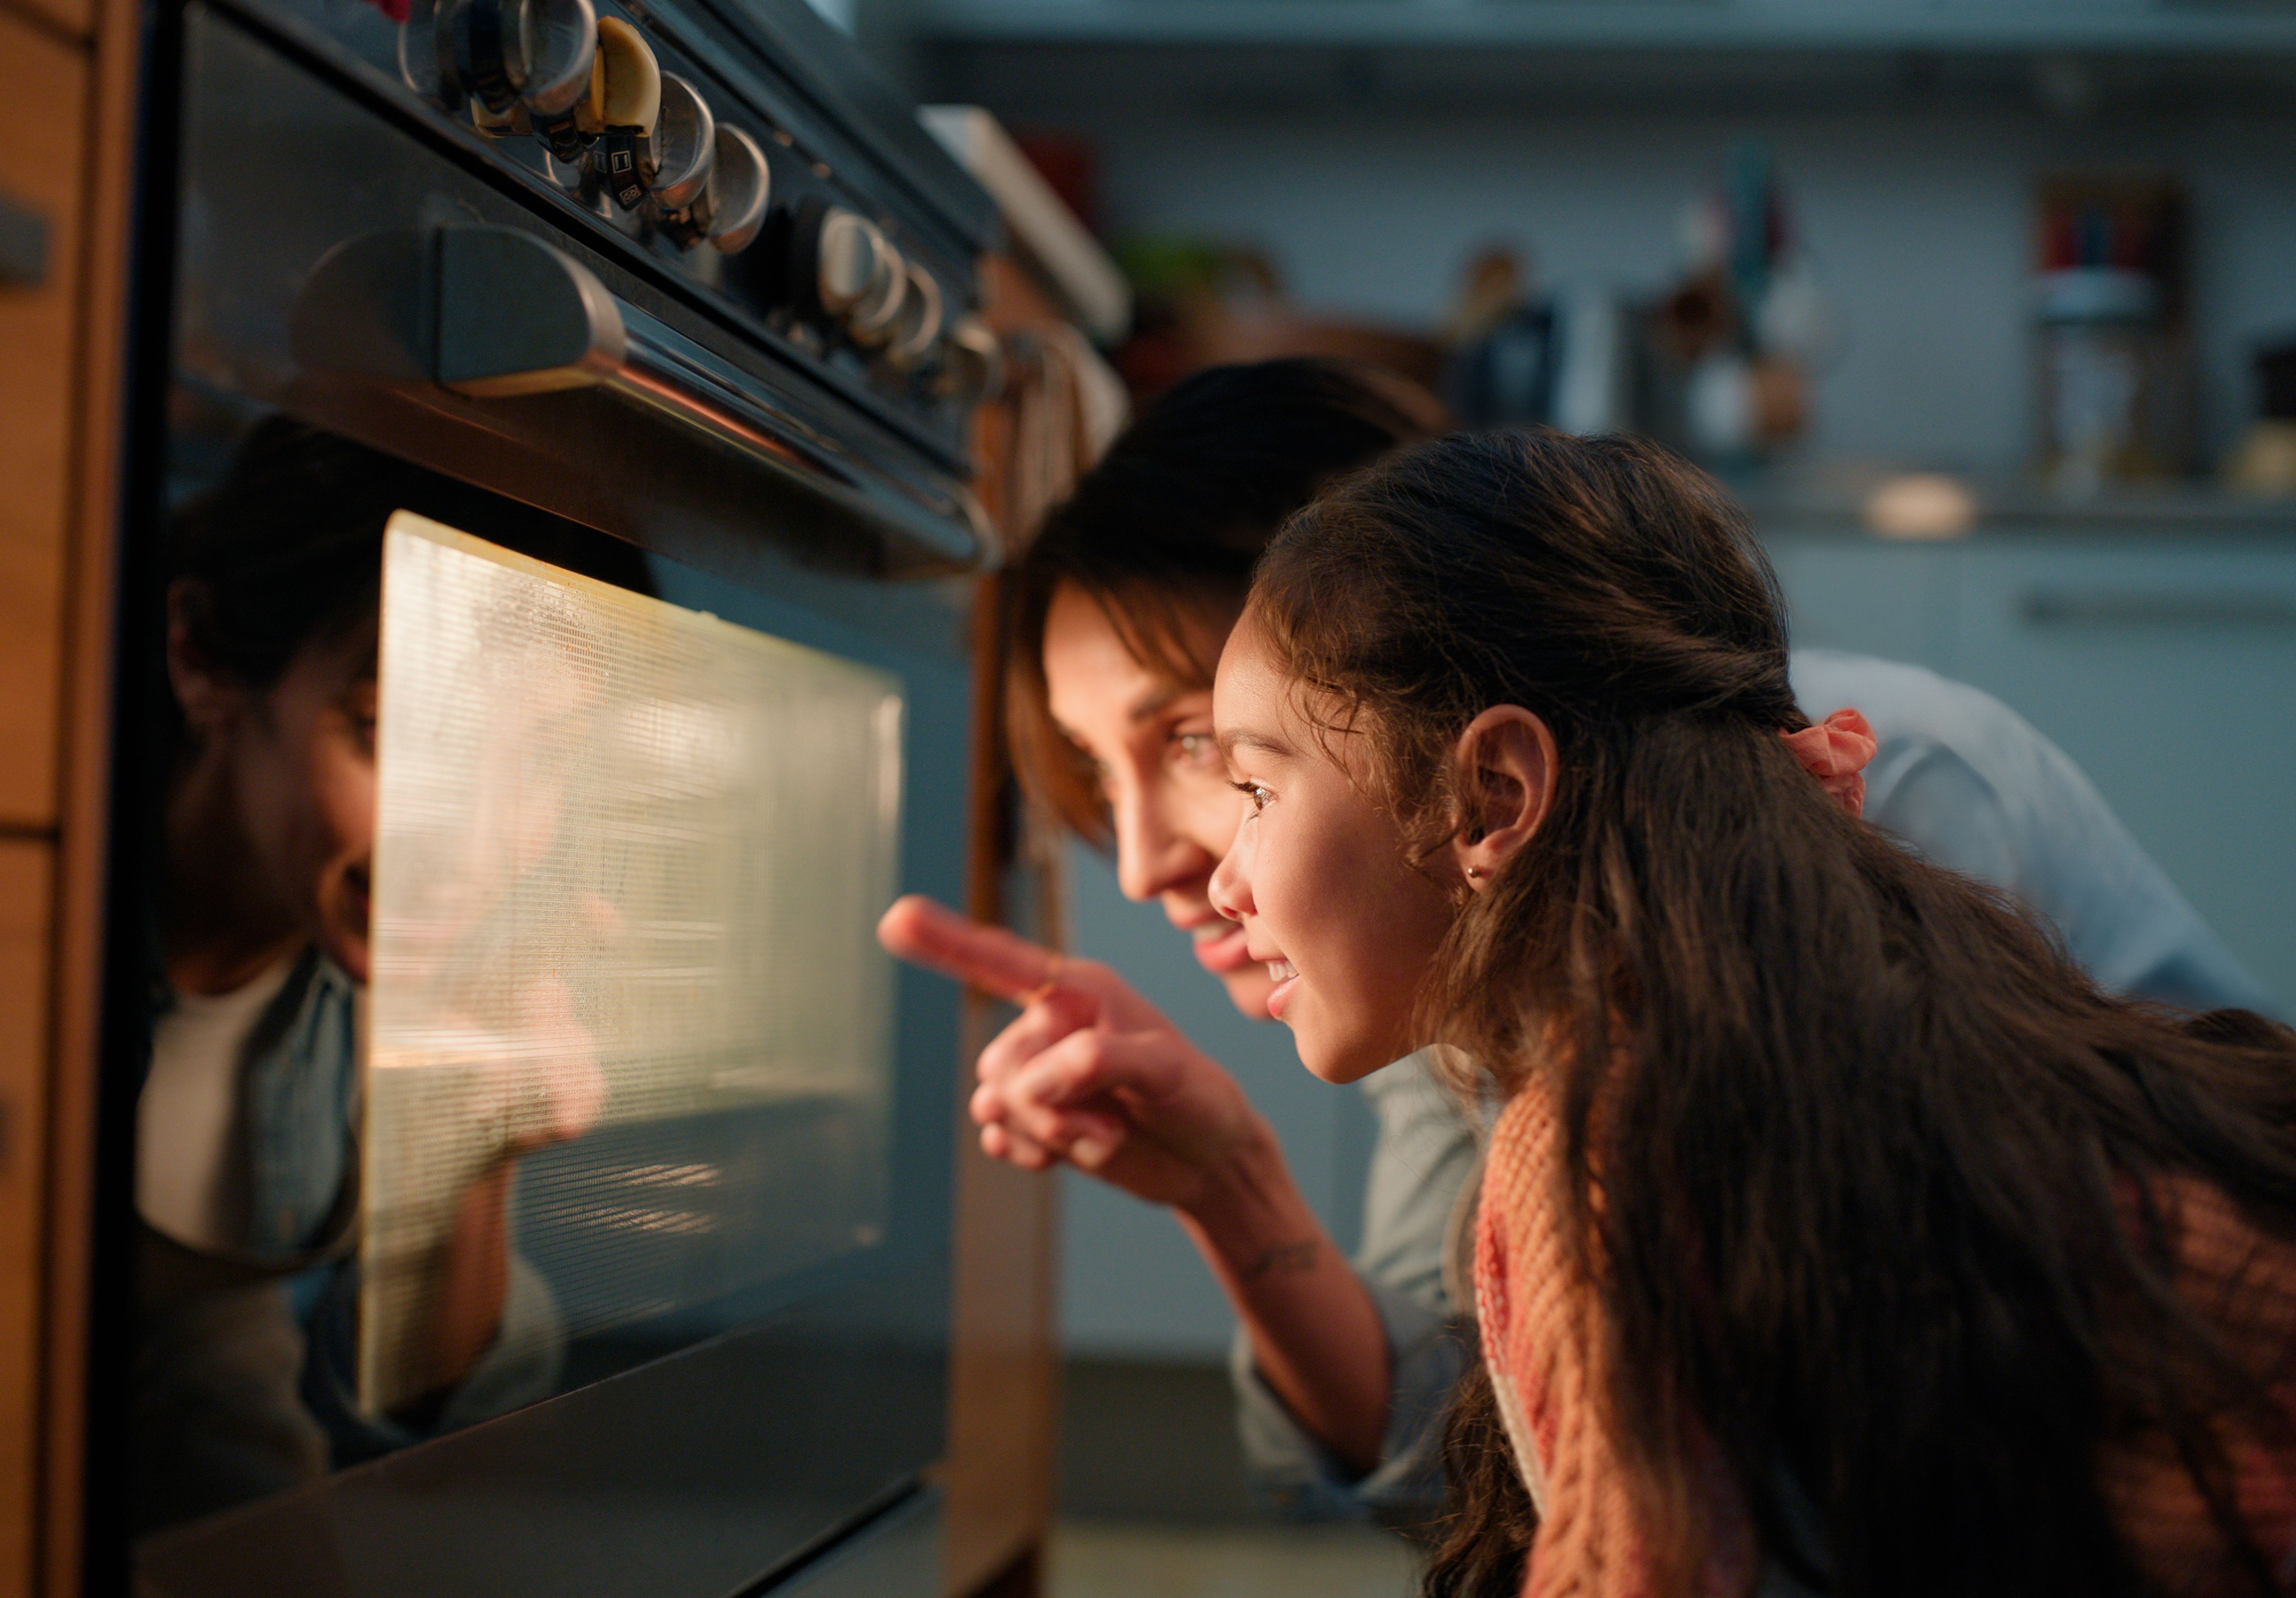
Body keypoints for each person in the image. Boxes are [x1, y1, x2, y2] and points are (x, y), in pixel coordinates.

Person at [878, 358, 2278, 1526]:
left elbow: (1805, 1486)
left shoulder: (1843, 840)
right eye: (1089, 768)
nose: (1145, 861)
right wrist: (1231, 1185)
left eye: (1211, 750)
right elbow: (1487, 1440)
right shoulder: (1449, 940)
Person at [1208, 425, 2296, 1595]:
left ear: (1493, 794)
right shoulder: (1844, 984)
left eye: (1258, 787)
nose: (1224, 878)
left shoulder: (1601, 1139)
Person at [135, 420, 608, 1530]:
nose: (482, 847)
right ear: (202, 659)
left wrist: (473, 1152)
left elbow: (428, 1445)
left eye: (541, 761)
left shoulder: (368, 996)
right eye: (396, 734)